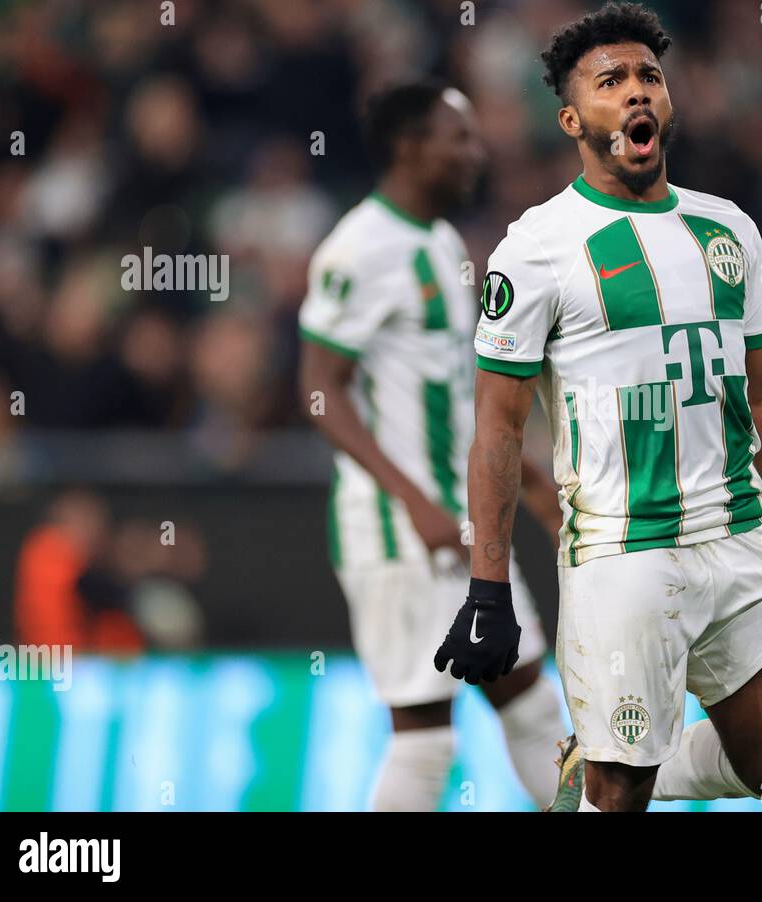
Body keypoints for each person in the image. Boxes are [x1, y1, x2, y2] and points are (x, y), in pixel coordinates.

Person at [434, 3, 762, 812]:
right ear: (573, 118)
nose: (637, 92)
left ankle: (599, 766)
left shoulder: (730, 232)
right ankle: (606, 774)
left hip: (740, 532)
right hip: (623, 551)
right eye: (611, 81)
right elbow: (498, 428)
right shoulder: (536, 247)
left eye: (649, 76)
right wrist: (488, 588)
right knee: (620, 797)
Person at [299, 81, 565, 811]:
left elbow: (463, 391)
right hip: (399, 532)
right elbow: (318, 390)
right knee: (425, 743)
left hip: (470, 523)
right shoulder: (358, 248)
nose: (477, 154)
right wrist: (412, 501)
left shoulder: (446, 244)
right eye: (461, 139)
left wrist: (534, 489)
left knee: (535, 710)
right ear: (412, 147)